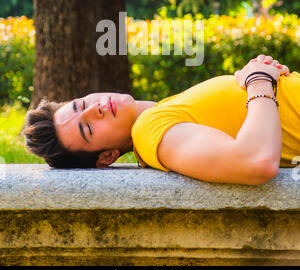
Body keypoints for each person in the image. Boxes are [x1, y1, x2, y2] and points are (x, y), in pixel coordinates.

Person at [22, 54, 300, 185]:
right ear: (106, 156)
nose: (95, 108)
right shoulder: (149, 130)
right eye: (88, 128)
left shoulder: (163, 112)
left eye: (81, 103)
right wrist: (260, 80)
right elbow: (256, 162)